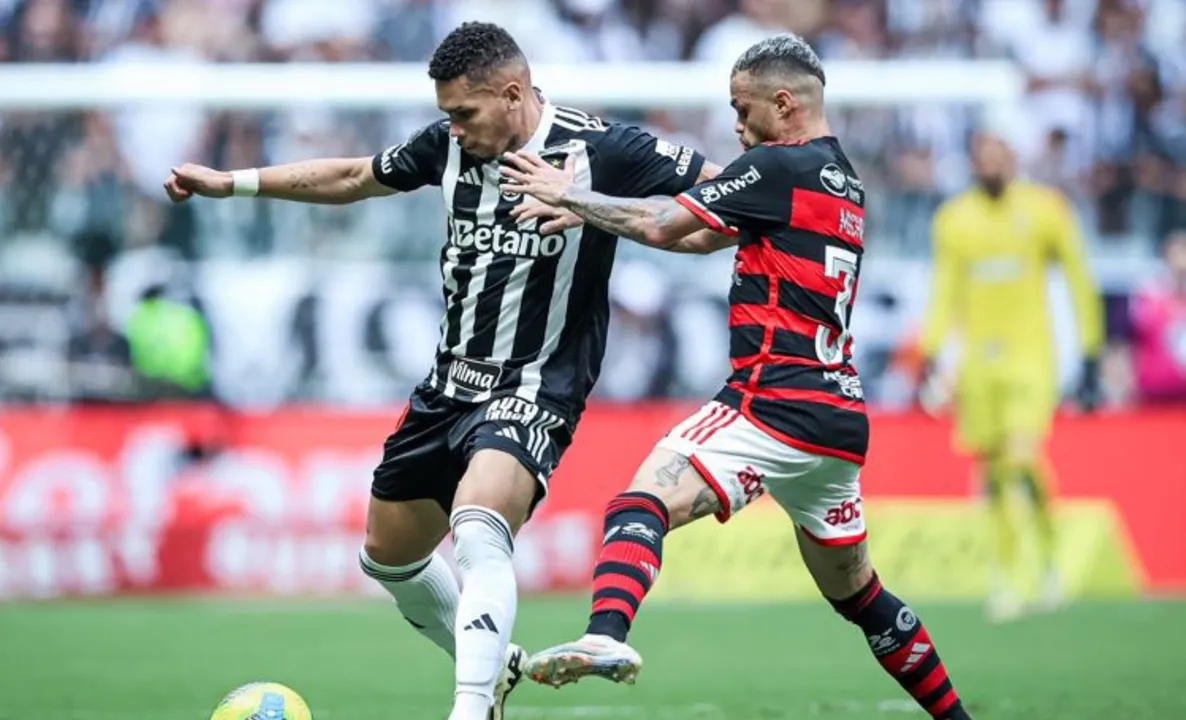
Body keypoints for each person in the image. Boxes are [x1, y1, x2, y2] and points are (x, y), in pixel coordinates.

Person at [163, 22, 718, 720]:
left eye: (464, 113)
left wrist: (592, 206)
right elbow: (354, 175)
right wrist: (232, 184)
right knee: (386, 556)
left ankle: (471, 708)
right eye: (446, 114)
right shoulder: (447, 146)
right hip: (448, 383)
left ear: (513, 94)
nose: (451, 128)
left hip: (536, 383)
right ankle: (498, 667)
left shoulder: (605, 151)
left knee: (480, 526)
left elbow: (722, 202)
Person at [500, 33, 975, 720]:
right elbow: (700, 235)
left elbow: (666, 225)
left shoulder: (778, 168)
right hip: (836, 419)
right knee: (860, 595)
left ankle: (605, 637)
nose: (735, 125)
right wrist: (588, 214)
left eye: (741, 107)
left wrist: (575, 197)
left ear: (783, 105)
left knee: (640, 504)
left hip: (771, 401)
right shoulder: (840, 179)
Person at [918, 128, 1103, 622]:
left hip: (1030, 359)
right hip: (979, 365)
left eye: (1000, 154)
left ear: (1013, 156)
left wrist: (1090, 350)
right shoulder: (955, 219)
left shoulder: (1045, 209)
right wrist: (931, 351)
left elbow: (1079, 277)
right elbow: (945, 290)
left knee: (1022, 460)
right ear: (974, 161)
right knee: (994, 473)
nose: (992, 163)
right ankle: (1006, 576)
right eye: (983, 156)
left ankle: (1046, 559)